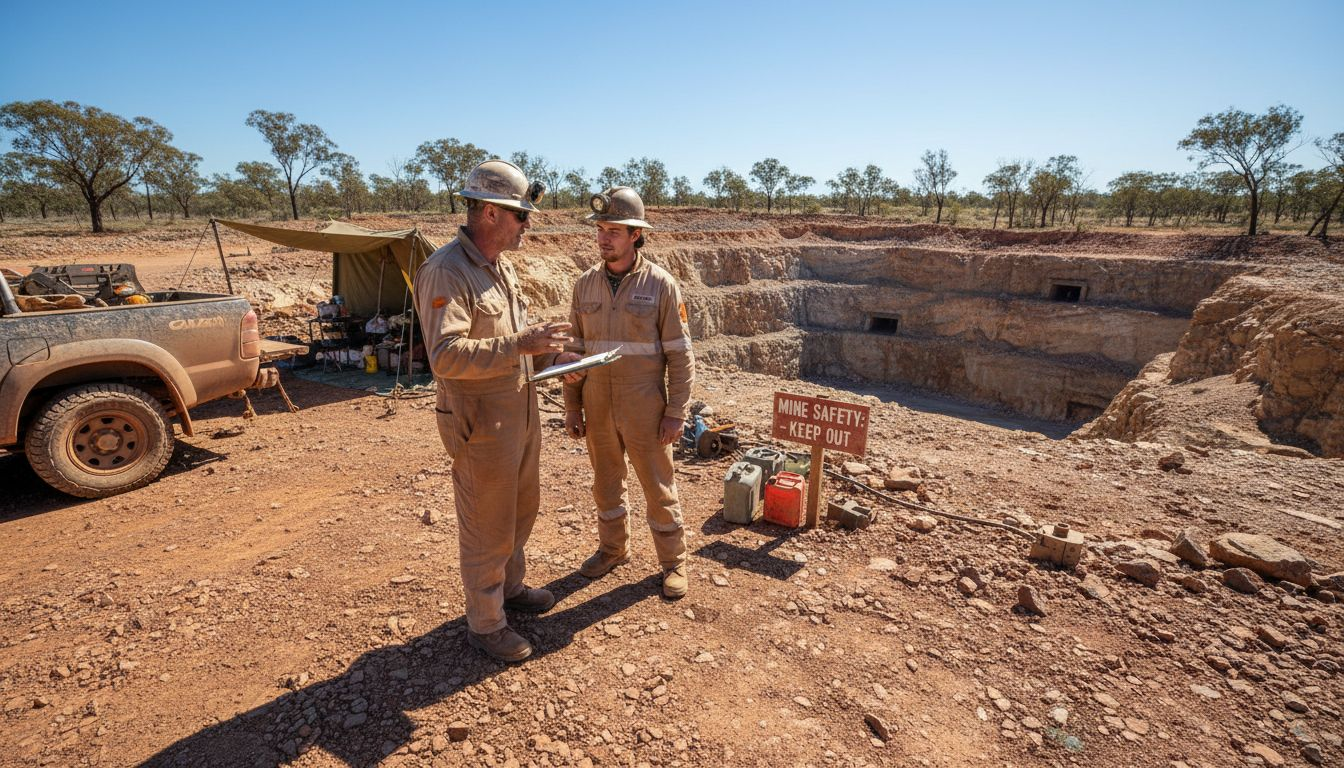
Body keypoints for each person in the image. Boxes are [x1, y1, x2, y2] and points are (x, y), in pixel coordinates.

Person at [414, 159, 574, 663]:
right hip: (479, 420)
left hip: (518, 412)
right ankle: (485, 624)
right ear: (488, 212)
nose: (528, 224)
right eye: (521, 215)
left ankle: (509, 588)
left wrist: (554, 358)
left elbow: (515, 344)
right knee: (487, 522)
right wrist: (523, 344)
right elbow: (445, 357)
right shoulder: (447, 270)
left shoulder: (498, 266)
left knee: (520, 511)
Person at [561, 186, 695, 599]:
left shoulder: (661, 285)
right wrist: (572, 407)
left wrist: (676, 411)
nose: (604, 238)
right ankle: (612, 550)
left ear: (635, 234)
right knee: (605, 484)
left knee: (658, 486)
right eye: (600, 229)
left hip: (645, 406)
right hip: (597, 403)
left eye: (613, 230)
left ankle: (674, 563)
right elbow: (574, 351)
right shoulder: (584, 285)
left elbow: (680, 354)